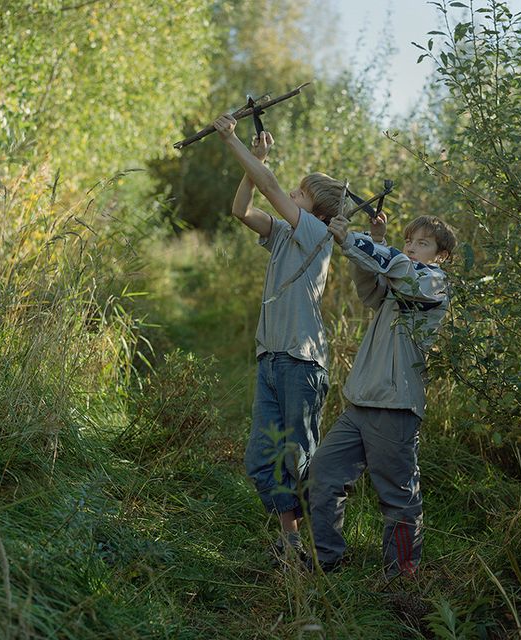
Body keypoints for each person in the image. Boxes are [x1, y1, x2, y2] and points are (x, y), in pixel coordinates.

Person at [212, 113, 348, 561]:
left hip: (302, 362)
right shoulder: (285, 234)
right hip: (271, 358)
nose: (291, 193)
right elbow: (242, 211)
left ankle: (320, 547)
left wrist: (234, 143)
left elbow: (269, 186)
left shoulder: (315, 234)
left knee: (298, 459)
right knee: (263, 457)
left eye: (300, 194)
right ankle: (291, 543)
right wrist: (256, 160)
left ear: (317, 212)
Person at [308, 210, 457, 581]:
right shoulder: (399, 281)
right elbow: (369, 287)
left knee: (398, 497)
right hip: (361, 402)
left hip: (395, 406)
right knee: (323, 472)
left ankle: (401, 576)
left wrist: (354, 240)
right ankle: (327, 559)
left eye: (423, 243)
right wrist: (374, 242)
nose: (412, 248)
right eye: (409, 241)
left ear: (441, 255)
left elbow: (400, 268)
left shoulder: (433, 283)